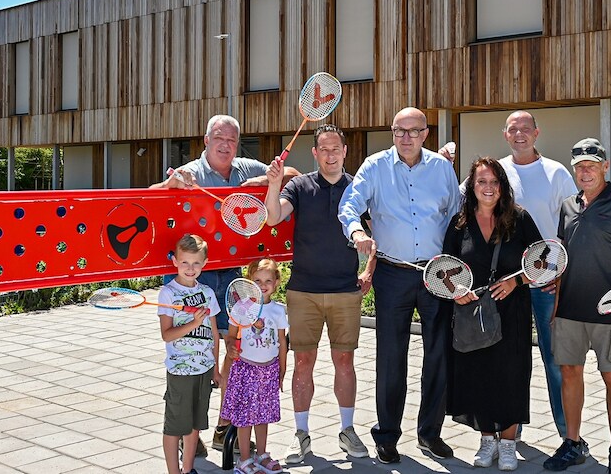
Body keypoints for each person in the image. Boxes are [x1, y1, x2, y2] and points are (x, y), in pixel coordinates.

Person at [152, 113, 297, 451]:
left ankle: (223, 427)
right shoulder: (189, 171)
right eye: (219, 138)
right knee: (193, 350)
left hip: (232, 274)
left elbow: (293, 174)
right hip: (193, 278)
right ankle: (188, 431)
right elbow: (151, 194)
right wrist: (170, 186)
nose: (226, 144)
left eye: (232, 139)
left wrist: (264, 179)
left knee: (233, 352)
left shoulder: (245, 167)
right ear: (206, 140)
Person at [338, 107, 461, 463]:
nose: (406, 138)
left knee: (439, 354)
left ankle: (430, 434)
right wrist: (357, 232)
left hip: (437, 273)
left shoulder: (441, 168)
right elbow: (349, 206)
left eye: (413, 131)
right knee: (391, 357)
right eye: (399, 131)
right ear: (392, 132)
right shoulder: (375, 166)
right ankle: (387, 435)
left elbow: (455, 215)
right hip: (393, 273)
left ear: (426, 134)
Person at [264, 125, 371, 464]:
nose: (330, 155)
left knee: (345, 362)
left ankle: (347, 430)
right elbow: (273, 217)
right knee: (303, 363)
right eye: (323, 149)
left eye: (335, 148)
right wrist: (273, 184)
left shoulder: (358, 188)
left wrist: (369, 269)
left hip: (345, 291)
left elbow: (379, 231)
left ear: (345, 150)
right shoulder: (299, 186)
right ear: (314, 153)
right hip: (304, 291)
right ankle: (301, 435)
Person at [544, 138, 611, 474]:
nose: (585, 171)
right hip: (569, 310)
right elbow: (562, 259)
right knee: (569, 373)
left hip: (610, 309)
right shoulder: (567, 206)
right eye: (579, 166)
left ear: (605, 166)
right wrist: (555, 309)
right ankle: (572, 443)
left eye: (591, 165)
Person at [445, 157, 541, 471]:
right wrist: (456, 291)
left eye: (494, 182)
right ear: (472, 187)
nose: (488, 188)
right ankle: (488, 440)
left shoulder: (519, 218)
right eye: (482, 182)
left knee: (512, 375)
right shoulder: (460, 223)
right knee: (478, 375)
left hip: (512, 312)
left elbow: (543, 261)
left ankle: (509, 443)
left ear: (503, 186)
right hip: (473, 313)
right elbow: (446, 267)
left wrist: (517, 281)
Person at [497, 111, 577, 441]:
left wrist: (563, 273)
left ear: (536, 133)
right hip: (508, 283)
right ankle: (509, 431)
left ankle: (568, 437)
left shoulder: (556, 173)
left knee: (556, 361)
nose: (520, 134)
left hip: (547, 283)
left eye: (525, 129)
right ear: (505, 134)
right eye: (513, 129)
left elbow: (574, 225)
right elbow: (462, 200)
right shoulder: (497, 172)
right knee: (510, 361)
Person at [159, 234, 222, 474]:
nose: (190, 268)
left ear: (204, 263)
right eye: (184, 262)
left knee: (195, 425)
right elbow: (167, 335)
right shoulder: (167, 293)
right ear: (175, 261)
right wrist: (193, 323)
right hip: (180, 371)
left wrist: (215, 368)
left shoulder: (207, 293)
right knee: (175, 426)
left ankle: (188, 469)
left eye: (196, 263)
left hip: (204, 369)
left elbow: (214, 333)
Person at [220, 259, 289, 474]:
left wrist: (282, 370)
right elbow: (231, 337)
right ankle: (244, 460)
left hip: (269, 370)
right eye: (257, 280)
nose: (263, 285)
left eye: (268, 280)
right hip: (246, 370)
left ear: (276, 282)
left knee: (263, 415)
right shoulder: (242, 308)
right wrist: (231, 348)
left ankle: (262, 454)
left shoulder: (278, 311)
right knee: (245, 417)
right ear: (249, 282)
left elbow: (282, 343)